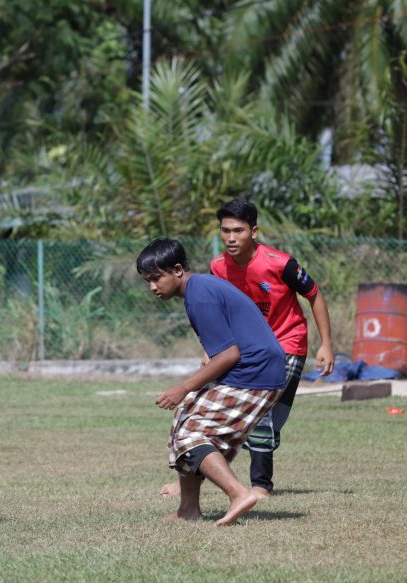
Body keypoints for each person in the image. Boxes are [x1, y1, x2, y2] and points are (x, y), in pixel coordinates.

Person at [137, 237, 286, 526]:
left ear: (177, 269)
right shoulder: (199, 290)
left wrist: (183, 387)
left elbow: (229, 355)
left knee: (191, 436)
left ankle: (238, 493)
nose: (152, 287)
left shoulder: (200, 294)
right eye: (147, 281)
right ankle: (188, 510)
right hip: (252, 370)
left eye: (156, 278)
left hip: (257, 374)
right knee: (184, 419)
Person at [208, 198, 334, 497]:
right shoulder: (217, 267)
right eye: (225, 231)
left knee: (261, 415)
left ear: (254, 231)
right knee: (253, 418)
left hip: (288, 344)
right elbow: (219, 311)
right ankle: (247, 483)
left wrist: (327, 344)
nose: (230, 238)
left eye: (238, 230)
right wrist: (211, 351)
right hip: (249, 350)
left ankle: (260, 485)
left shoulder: (281, 263)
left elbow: (314, 295)